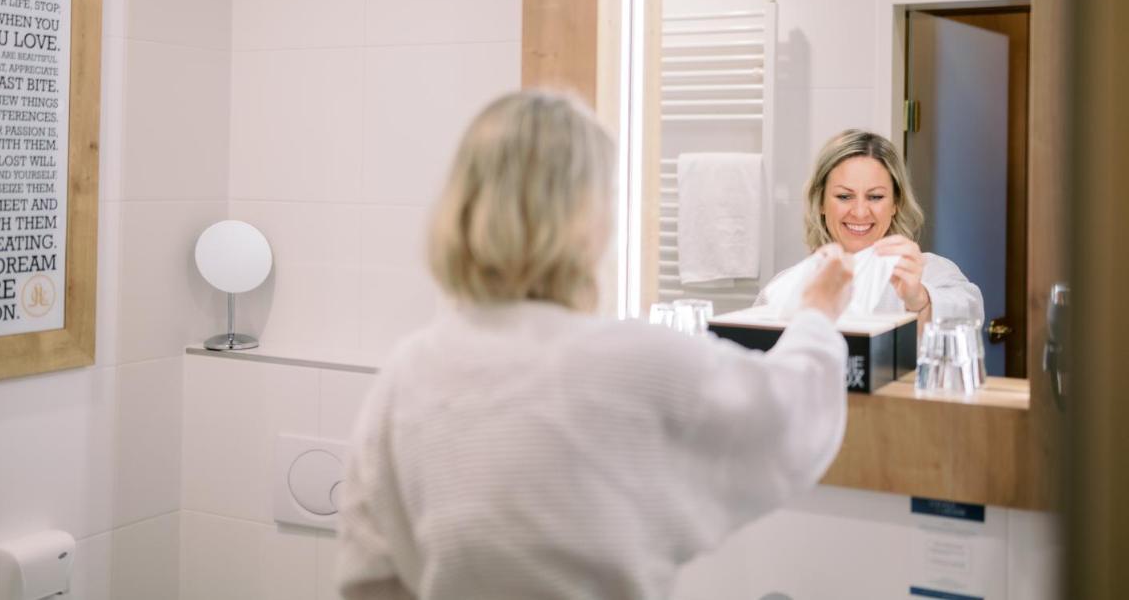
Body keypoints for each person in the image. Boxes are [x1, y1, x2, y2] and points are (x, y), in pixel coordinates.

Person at [337, 90, 855, 600]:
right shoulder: (633, 362)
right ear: (587, 218)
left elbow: (369, 581)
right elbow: (787, 411)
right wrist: (816, 314)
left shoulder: (408, 373)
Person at [757, 129, 983, 325]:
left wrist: (920, 299)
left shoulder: (931, 273)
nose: (860, 212)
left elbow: (970, 316)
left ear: (895, 203)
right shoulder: (788, 285)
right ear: (821, 202)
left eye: (875, 197)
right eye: (844, 196)